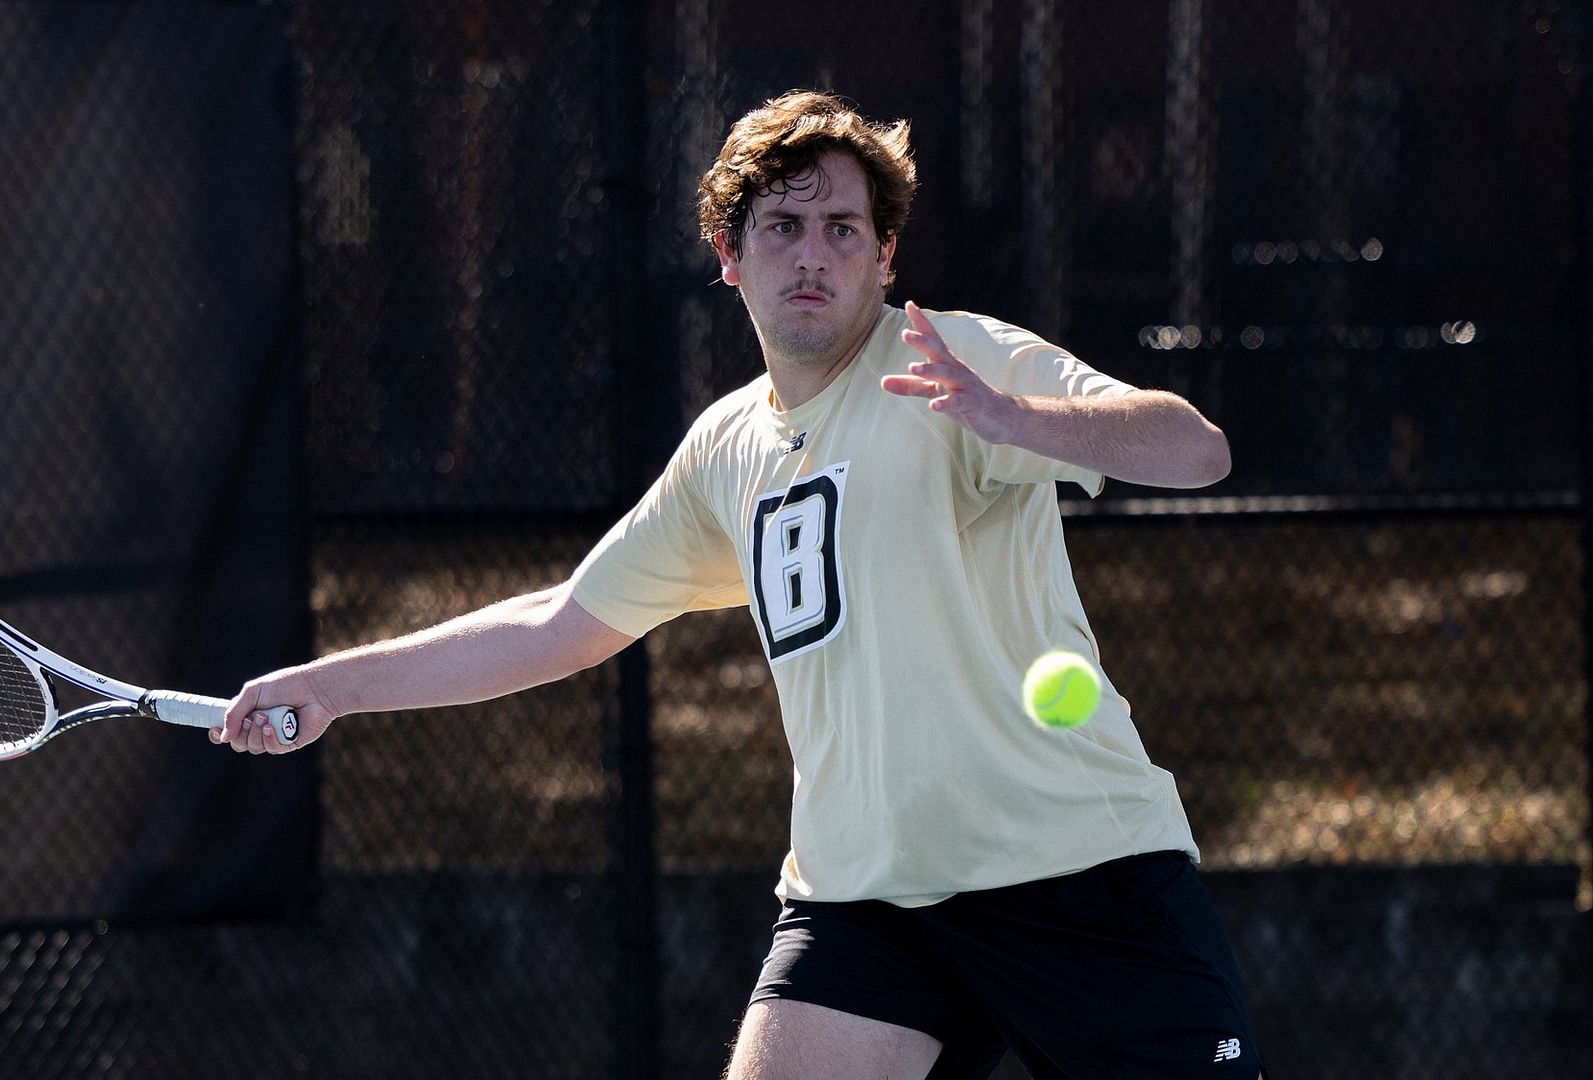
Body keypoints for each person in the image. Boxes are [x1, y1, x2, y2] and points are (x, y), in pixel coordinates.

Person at [213, 90, 1263, 1080]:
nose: (813, 255)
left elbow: (1197, 448)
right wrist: (335, 685)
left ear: (885, 255)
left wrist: (1013, 418)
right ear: (728, 255)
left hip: (1082, 879)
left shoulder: (956, 361)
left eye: (844, 229)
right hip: (869, 901)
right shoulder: (726, 449)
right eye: (782, 227)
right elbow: (559, 622)